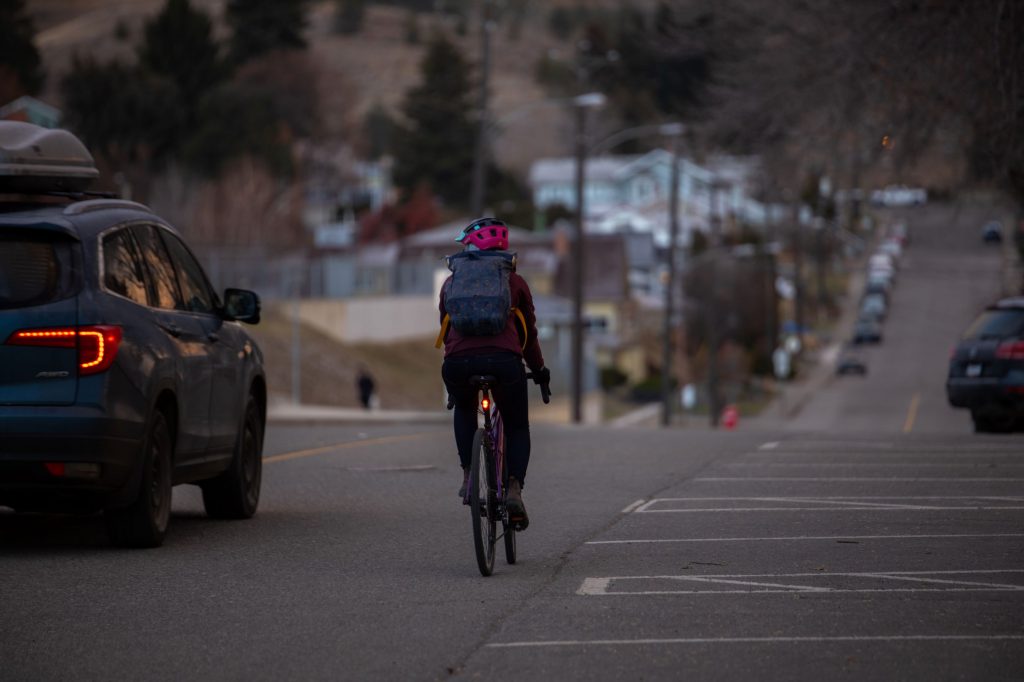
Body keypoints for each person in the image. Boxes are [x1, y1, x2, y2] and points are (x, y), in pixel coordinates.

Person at [438, 218, 549, 529]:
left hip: (458, 363)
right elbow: (529, 335)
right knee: (516, 425)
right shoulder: (515, 283)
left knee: (464, 407)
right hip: (505, 363)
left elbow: (446, 333)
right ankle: (514, 489)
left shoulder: (452, 283)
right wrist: (539, 370)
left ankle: (469, 476)